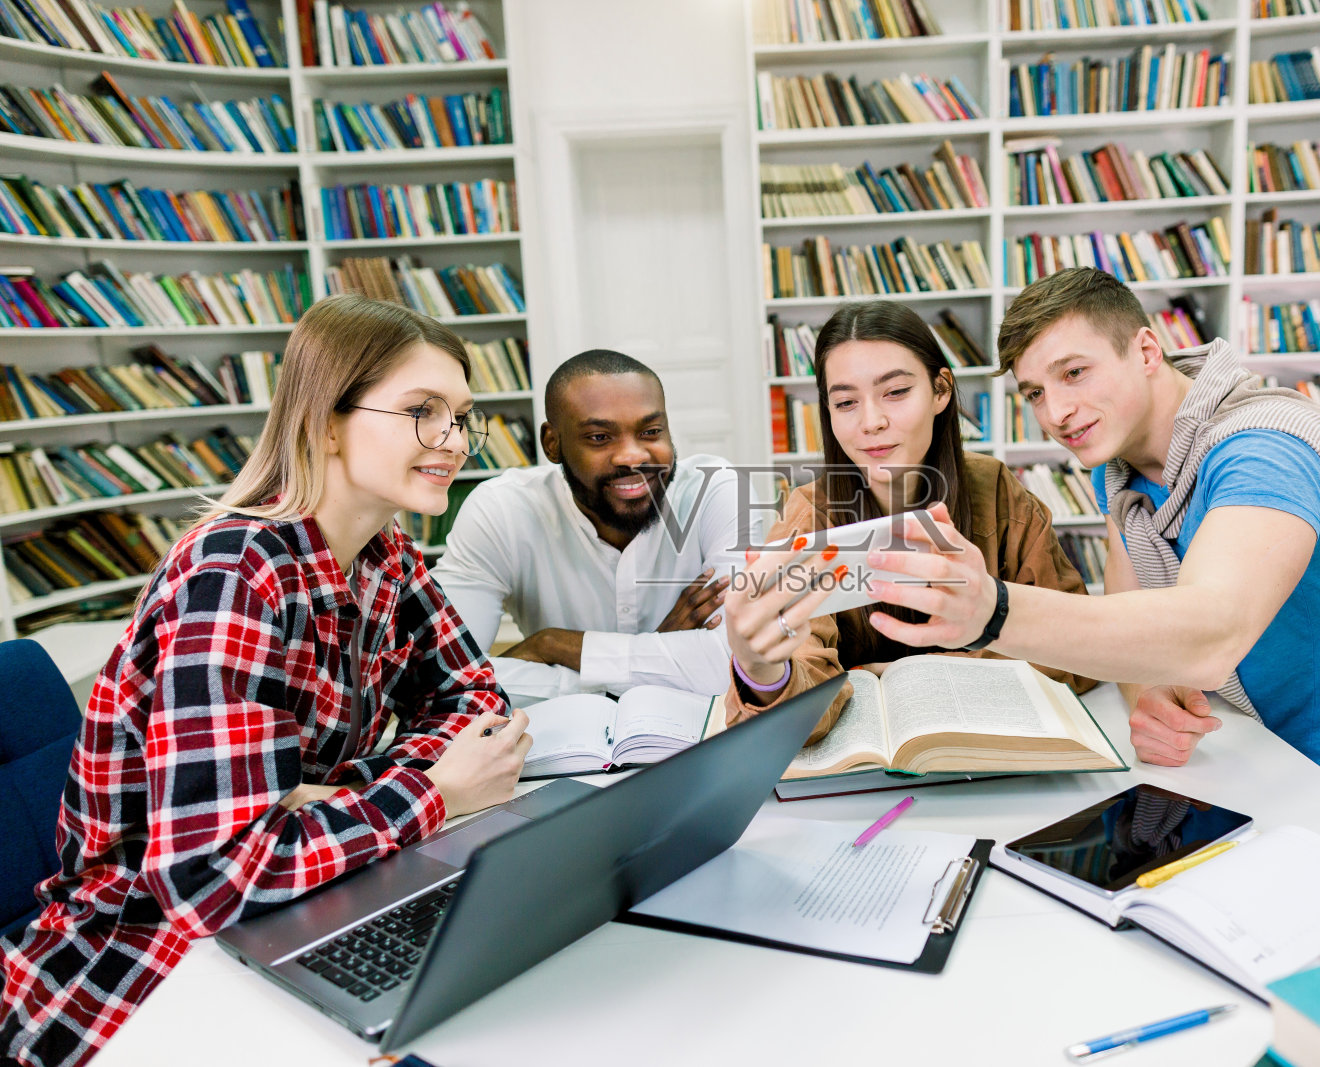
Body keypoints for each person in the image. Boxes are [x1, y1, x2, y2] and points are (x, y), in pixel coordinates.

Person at [0, 295, 533, 1067]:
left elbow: (478, 703)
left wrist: (325, 800)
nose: (454, 440)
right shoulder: (235, 573)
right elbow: (209, 879)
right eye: (423, 411)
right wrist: (435, 793)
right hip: (132, 970)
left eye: (461, 415)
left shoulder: (389, 556)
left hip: (288, 908)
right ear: (324, 421)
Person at [859, 268, 1320, 854]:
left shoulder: (1266, 448)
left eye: (1075, 373)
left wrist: (992, 609)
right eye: (1036, 393)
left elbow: (1213, 633)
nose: (1057, 414)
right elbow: (1130, 620)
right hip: (1252, 793)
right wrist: (1148, 691)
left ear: (1148, 351)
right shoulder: (1118, 471)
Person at [723, 300, 1096, 744]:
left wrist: (913, 672)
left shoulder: (996, 489)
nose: (871, 422)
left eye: (896, 392)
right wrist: (764, 671)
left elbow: (1077, 653)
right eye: (845, 402)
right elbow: (799, 708)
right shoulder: (808, 515)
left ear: (941, 391)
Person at [431, 349, 757, 704]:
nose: (633, 456)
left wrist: (554, 645)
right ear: (552, 443)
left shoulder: (717, 491)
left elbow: (743, 662)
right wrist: (652, 657)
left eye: (651, 431)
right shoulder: (503, 511)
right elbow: (443, 681)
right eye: (600, 437)